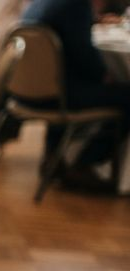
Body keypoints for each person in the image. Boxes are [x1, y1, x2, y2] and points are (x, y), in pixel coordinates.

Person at [21, 0, 130, 187]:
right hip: (56, 98)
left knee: (67, 77)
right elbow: (88, 62)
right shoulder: (76, 5)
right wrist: (106, 75)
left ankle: (54, 157)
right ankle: (83, 163)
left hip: (25, 91)